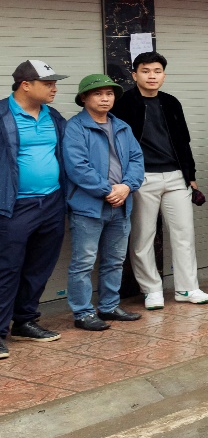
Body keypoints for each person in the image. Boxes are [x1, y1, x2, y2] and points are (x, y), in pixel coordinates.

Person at [114, 51, 208, 309]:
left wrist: (191, 176)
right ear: (135, 75)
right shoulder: (123, 104)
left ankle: (188, 288)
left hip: (176, 176)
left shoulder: (171, 102)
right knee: (143, 236)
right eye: (145, 71)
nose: (152, 76)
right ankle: (151, 290)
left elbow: (183, 142)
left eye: (157, 71)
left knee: (184, 234)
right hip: (141, 177)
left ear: (164, 75)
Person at [63, 74, 146, 331]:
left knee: (115, 260)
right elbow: (77, 166)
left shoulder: (121, 126)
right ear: (84, 98)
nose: (105, 98)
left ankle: (109, 306)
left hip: (121, 205)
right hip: (88, 207)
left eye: (109, 94)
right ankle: (83, 312)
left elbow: (136, 160)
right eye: (98, 93)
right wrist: (107, 190)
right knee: (83, 262)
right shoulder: (75, 127)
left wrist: (126, 187)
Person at [0, 61, 71, 356]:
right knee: (7, 268)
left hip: (52, 202)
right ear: (25, 85)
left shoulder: (53, 116)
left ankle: (25, 321)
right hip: (14, 206)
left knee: (39, 266)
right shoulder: (2, 115)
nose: (54, 88)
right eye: (48, 83)